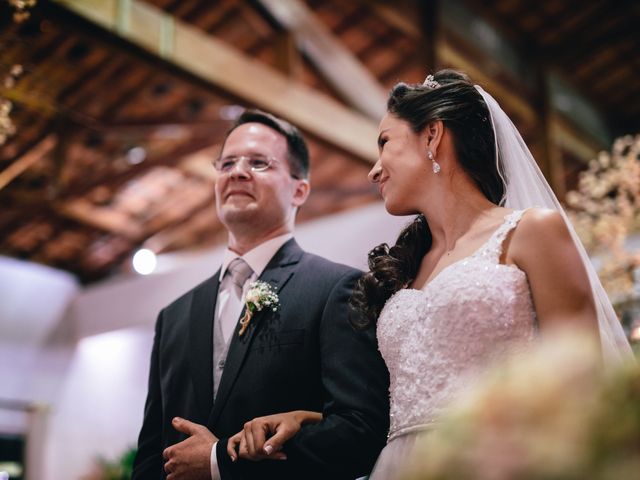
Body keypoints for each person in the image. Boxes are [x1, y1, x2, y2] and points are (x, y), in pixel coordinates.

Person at [223, 70, 635, 478]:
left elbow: (583, 384)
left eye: (384, 143)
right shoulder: (403, 270)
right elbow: (404, 404)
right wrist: (307, 418)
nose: (374, 170)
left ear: (432, 135)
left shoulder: (532, 231)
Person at [131, 109, 390, 479]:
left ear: (300, 189)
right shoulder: (173, 316)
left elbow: (360, 433)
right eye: (227, 163)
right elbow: (150, 454)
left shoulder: (337, 288)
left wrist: (220, 462)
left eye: (259, 163)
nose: (237, 171)